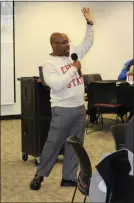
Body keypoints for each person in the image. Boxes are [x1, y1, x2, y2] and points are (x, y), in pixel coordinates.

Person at [30, 7, 94, 190]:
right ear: (54, 45)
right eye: (64, 43)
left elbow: (87, 43)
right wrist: (74, 68)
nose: (68, 45)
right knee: (53, 143)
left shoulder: (72, 54)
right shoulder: (49, 65)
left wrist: (89, 23)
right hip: (62, 110)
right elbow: (57, 85)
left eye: (68, 42)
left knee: (75, 144)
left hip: (79, 108)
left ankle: (68, 177)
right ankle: (39, 175)